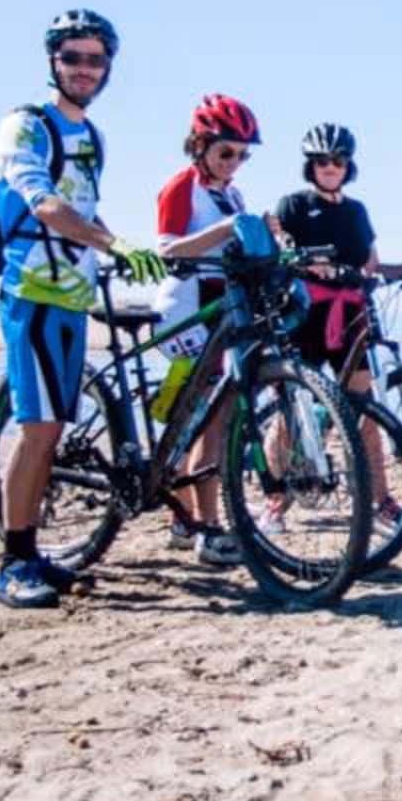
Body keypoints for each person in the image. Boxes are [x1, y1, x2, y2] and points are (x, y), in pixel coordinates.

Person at [0, 9, 163, 608]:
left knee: (56, 427)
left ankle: (37, 554)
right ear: (52, 62)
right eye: (74, 58)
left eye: (96, 59)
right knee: (37, 429)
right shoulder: (26, 126)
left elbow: (85, 212)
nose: (85, 69)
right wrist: (112, 243)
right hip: (32, 294)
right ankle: (14, 562)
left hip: (73, 297)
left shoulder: (91, 137)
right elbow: (44, 206)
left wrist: (124, 248)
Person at [273, 123, 402, 524]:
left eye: (338, 161)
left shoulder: (355, 211)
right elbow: (281, 253)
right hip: (304, 317)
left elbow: (371, 266)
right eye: (322, 161)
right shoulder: (292, 205)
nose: (330, 167)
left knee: (365, 412)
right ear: (310, 166)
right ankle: (276, 500)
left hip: (350, 317)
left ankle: (381, 500)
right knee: (291, 411)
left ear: (349, 166)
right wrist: (308, 263)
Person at [150, 94, 264, 566]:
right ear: (199, 146)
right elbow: (168, 251)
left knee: (208, 415)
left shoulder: (230, 193)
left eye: (242, 155)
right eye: (225, 153)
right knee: (206, 417)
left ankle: (182, 516)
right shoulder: (182, 186)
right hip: (187, 308)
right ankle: (206, 527)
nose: (234, 163)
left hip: (224, 306)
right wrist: (226, 231)